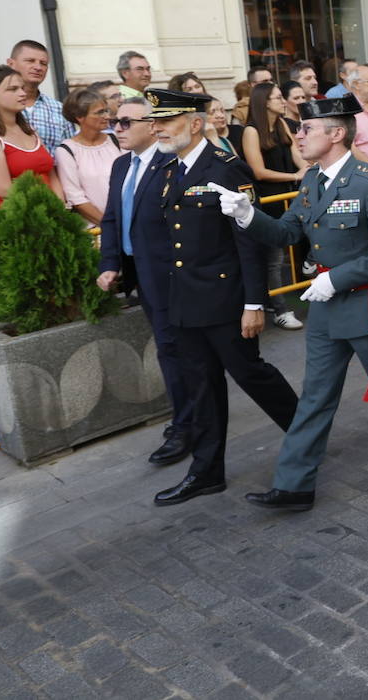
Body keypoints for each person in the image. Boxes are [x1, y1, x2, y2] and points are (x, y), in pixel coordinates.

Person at [214, 94, 368, 511]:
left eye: (307, 128)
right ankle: (294, 484)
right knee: (314, 395)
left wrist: (337, 278)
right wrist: (247, 215)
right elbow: (287, 233)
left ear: (336, 134)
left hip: (366, 303)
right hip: (326, 305)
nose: (298, 135)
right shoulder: (313, 179)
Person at [140, 89, 298, 506]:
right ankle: (206, 472)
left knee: (251, 375)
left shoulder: (226, 168)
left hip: (226, 300)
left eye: (165, 122)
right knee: (202, 387)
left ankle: (305, 435)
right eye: (154, 122)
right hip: (188, 299)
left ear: (194, 124)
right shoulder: (172, 168)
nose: (155, 128)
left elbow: (249, 239)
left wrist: (253, 303)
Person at [96, 95, 193, 465]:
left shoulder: (173, 164)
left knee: (174, 349)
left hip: (172, 274)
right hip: (141, 274)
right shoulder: (121, 165)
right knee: (171, 349)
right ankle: (189, 416)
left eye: (125, 122)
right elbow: (111, 219)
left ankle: (187, 425)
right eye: (114, 121)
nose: (116, 128)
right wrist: (110, 264)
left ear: (152, 126)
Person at [241, 82, 309, 330]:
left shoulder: (281, 124)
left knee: (297, 240)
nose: (283, 101)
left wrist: (306, 168)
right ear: (264, 102)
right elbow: (257, 171)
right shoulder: (251, 131)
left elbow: (296, 154)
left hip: (286, 197)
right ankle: (280, 308)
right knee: (273, 258)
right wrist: (295, 176)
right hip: (266, 201)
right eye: (278, 97)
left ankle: (279, 299)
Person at [0, 65, 63, 210]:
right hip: (14, 220)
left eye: (22, 88)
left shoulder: (29, 130)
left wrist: (59, 207)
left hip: (49, 215)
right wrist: (46, 210)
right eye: (12, 89)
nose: (22, 93)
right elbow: (4, 190)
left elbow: (51, 174)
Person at [53, 88, 120, 226]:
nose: (107, 116)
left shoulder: (116, 141)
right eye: (99, 112)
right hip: (95, 230)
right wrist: (110, 226)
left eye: (106, 110)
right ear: (80, 117)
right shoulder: (67, 150)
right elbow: (76, 198)